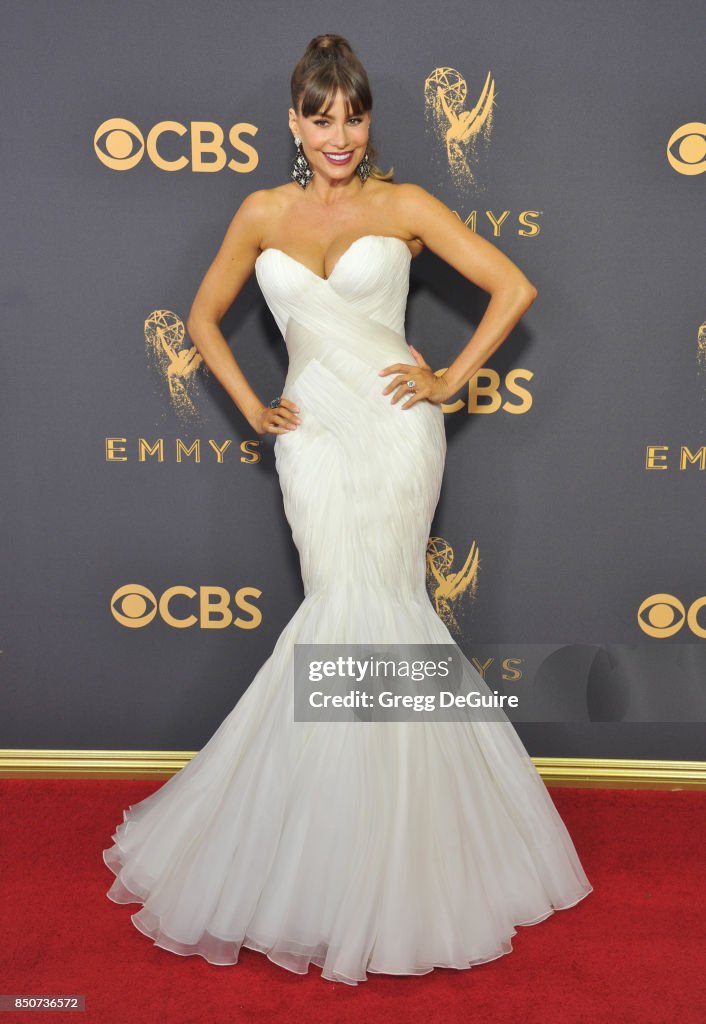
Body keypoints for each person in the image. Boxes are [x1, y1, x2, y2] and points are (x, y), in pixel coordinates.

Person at [103, 33, 592, 986]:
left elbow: (514, 285)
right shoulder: (259, 212)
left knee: (390, 611)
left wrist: (451, 376)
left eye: (353, 115)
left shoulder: (402, 204)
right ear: (292, 122)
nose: (338, 133)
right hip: (314, 439)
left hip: (394, 430)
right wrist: (255, 408)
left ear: (369, 121)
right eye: (320, 117)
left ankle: (402, 855)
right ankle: (335, 849)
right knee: (338, 612)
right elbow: (203, 317)